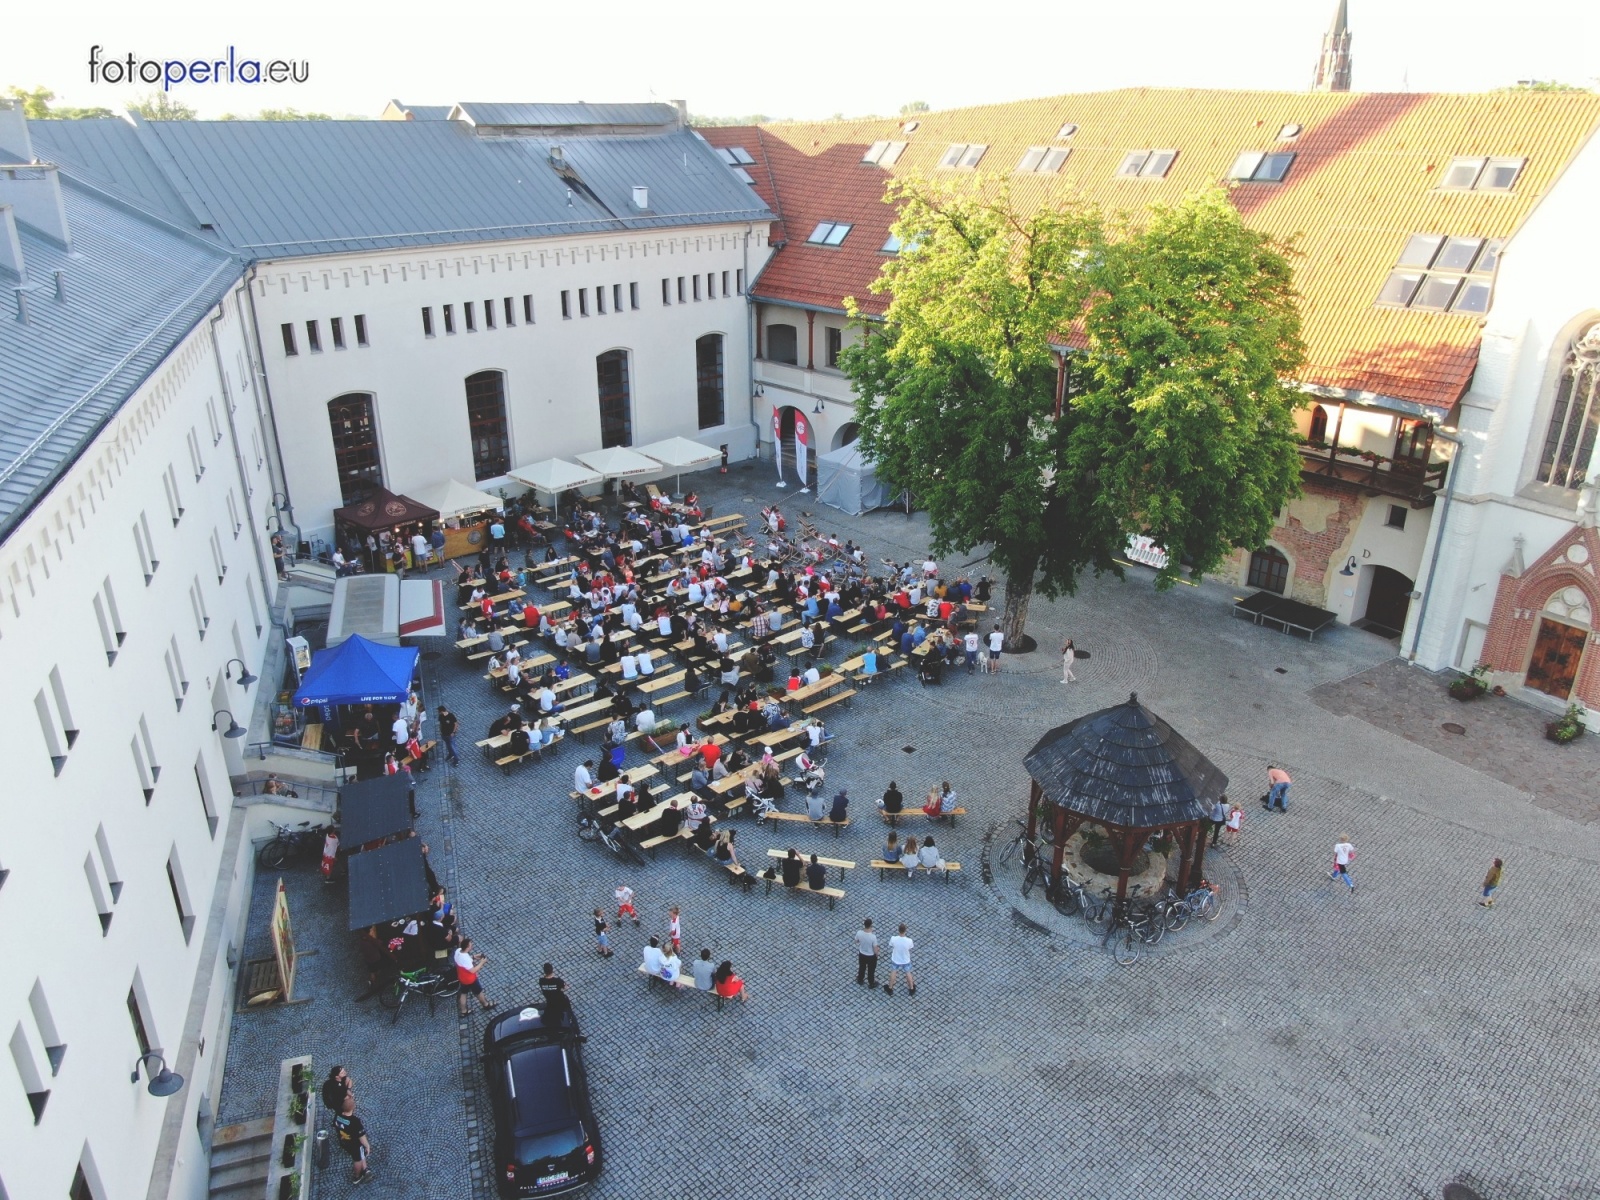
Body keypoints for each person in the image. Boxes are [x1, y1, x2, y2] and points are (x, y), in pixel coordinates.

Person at [333, 1094, 374, 1184]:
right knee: (357, 1159)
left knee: (360, 1154)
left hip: (344, 1141)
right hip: (355, 1145)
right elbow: (361, 1137)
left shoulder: (337, 1116)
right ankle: (357, 1176)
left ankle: (365, 1169)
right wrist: (367, 1145)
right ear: (353, 1108)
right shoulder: (355, 1121)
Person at [453, 937, 495, 1016]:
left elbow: (464, 962)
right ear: (467, 947)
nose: (472, 946)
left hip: (462, 978)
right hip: (470, 979)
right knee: (479, 992)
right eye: (471, 945)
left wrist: (474, 956)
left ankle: (464, 1011)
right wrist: (482, 962)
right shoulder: (466, 958)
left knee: (463, 993)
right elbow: (473, 970)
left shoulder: (458, 951)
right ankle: (486, 1005)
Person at [885, 924, 915, 997]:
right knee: (908, 973)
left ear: (898, 930)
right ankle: (911, 988)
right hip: (905, 960)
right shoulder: (909, 941)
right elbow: (910, 947)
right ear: (905, 930)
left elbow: (891, 945)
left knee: (893, 972)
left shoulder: (893, 939)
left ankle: (890, 988)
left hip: (896, 959)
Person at [855, 918, 879, 988]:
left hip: (862, 953)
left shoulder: (859, 933)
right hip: (871, 956)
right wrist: (877, 954)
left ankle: (860, 979)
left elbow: (856, 941)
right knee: (871, 970)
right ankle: (871, 983)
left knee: (862, 967)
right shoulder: (873, 937)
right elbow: (875, 948)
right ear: (871, 926)